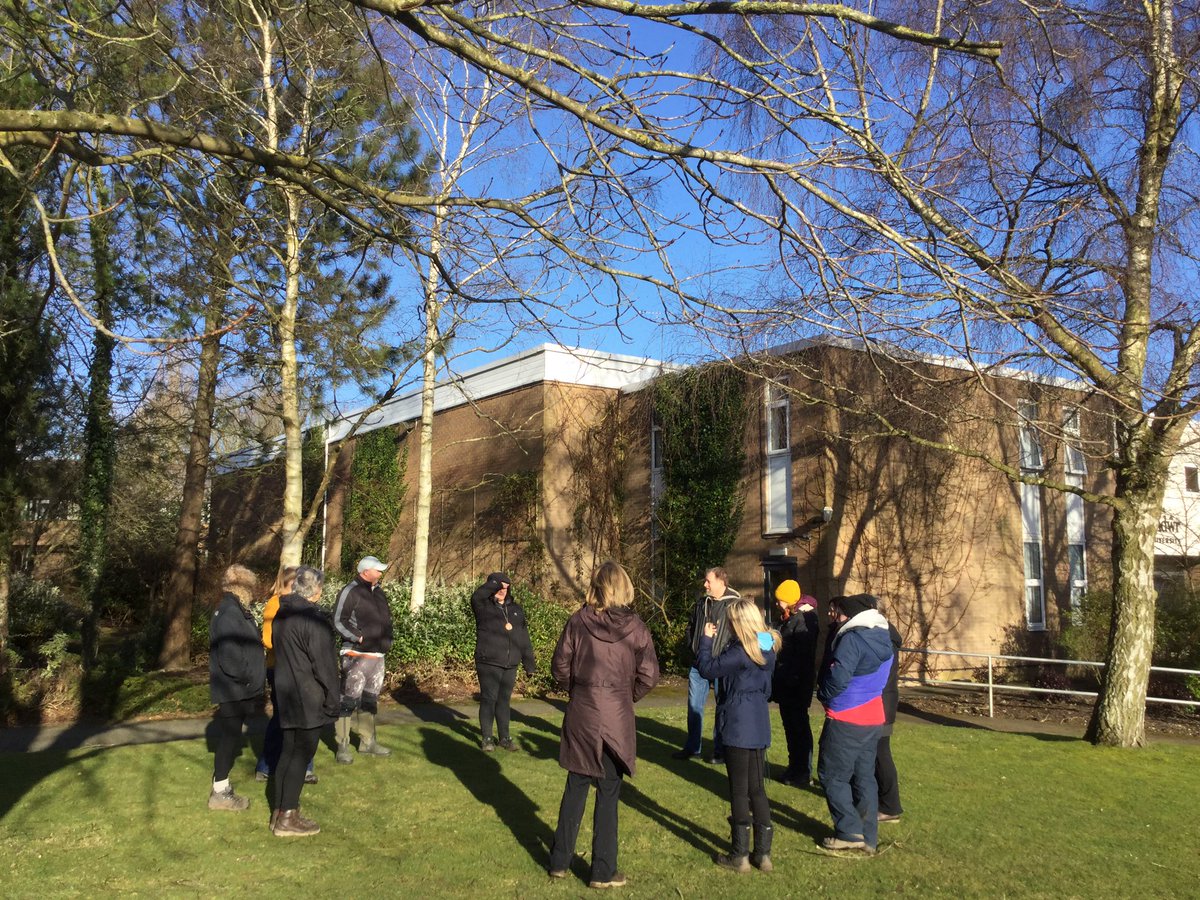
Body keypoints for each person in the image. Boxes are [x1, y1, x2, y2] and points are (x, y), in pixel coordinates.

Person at [547, 561, 660, 889]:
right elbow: (649, 675)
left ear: (596, 587)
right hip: (613, 714)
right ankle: (602, 870)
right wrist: (623, 696)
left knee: (577, 785)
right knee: (607, 792)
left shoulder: (578, 621)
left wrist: (579, 692)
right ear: (624, 587)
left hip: (584, 712)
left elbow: (560, 665)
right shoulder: (634, 627)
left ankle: (560, 861)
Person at [697, 597, 780, 873]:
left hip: (738, 721)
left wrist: (706, 641)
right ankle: (763, 854)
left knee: (739, 789)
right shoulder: (766, 645)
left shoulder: (740, 651)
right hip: (758, 719)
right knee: (757, 788)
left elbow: (707, 669)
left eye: (731, 622)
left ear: (739, 623)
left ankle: (740, 855)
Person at [815, 593, 894, 855]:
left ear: (850, 615)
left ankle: (849, 832)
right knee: (864, 777)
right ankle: (868, 836)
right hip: (873, 715)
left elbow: (838, 678)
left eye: (839, 613)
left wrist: (823, 694)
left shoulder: (851, 639)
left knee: (832, 775)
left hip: (846, 716)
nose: (836, 617)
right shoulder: (884, 635)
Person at [271, 565, 340, 837]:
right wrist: (333, 700)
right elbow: (325, 666)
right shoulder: (313, 620)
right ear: (317, 590)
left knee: (288, 753)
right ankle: (288, 815)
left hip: (286, 691)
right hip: (307, 695)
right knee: (300, 755)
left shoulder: (282, 614)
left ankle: (280, 811)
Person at [207, 564, 266, 812]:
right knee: (229, 738)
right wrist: (248, 678)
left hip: (237, 688)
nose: (253, 592)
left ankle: (221, 786)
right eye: (250, 587)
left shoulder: (235, 610)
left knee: (231, 737)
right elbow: (230, 656)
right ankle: (220, 791)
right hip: (234, 689)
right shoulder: (230, 613)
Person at [254, 567, 315, 785]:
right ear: (292, 582)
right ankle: (266, 765)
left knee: (306, 718)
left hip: (301, 669)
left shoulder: (304, 605)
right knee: (282, 717)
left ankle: (305, 767)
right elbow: (268, 639)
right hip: (280, 667)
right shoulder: (275, 603)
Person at [672, 567, 739, 763]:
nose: (705, 584)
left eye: (708, 581)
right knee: (694, 706)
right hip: (699, 663)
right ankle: (692, 748)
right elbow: (691, 626)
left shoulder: (734, 604)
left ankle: (720, 750)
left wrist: (729, 654)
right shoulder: (701, 603)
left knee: (722, 707)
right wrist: (692, 645)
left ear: (721, 582)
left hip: (721, 662)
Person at [332, 555, 395, 763]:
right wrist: (358, 637)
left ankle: (368, 743)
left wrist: (387, 640)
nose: (380, 573)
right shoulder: (350, 590)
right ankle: (342, 746)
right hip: (355, 655)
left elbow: (386, 621)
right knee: (347, 701)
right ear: (366, 571)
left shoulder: (379, 592)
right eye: (377, 570)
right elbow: (338, 621)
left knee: (369, 700)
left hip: (377, 655)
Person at [470, 571, 536, 751]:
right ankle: (487, 739)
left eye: (505, 588)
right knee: (489, 699)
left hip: (510, 663)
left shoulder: (516, 610)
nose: (502, 590)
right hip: (488, 662)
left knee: (504, 701)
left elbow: (523, 637)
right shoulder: (483, 607)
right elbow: (477, 595)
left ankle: (504, 739)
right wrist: (497, 582)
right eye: (499, 587)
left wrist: (529, 663)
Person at [771, 579, 819, 787]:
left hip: (797, 682)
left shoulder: (804, 620)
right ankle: (794, 767)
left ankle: (803, 771)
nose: (777, 604)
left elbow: (802, 655)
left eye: (780, 600)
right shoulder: (788, 618)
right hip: (786, 680)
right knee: (790, 726)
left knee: (799, 727)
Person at [870, 596, 904, 824]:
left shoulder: (885, 637)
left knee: (881, 754)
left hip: (882, 702)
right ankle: (880, 799)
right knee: (876, 753)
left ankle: (891, 806)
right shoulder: (884, 634)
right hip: (881, 699)